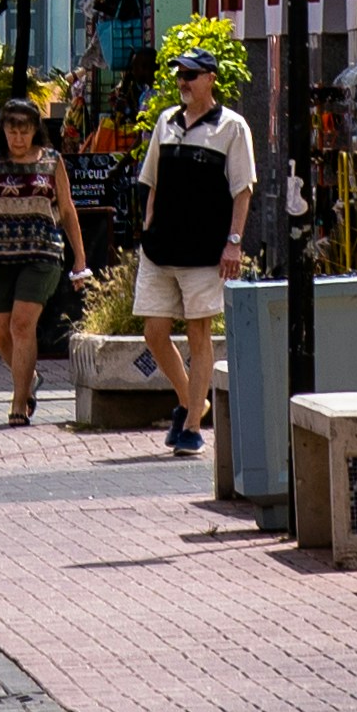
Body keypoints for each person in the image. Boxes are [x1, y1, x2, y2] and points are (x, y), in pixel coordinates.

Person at [131, 49, 253, 455]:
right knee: (154, 331)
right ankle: (189, 401)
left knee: (199, 333)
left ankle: (192, 427)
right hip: (160, 248)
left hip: (204, 251)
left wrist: (233, 243)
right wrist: (147, 221)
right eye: (180, 74)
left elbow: (242, 190)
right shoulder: (166, 121)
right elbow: (150, 177)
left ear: (211, 79)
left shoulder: (232, 127)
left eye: (192, 74)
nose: (183, 81)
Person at [0, 95, 79, 424]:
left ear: (35, 131)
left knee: (21, 324)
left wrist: (80, 258)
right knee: (0, 331)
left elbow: (69, 210)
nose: (18, 138)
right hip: (2, 254)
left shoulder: (52, 160)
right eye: (12, 130)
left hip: (42, 253)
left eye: (25, 131)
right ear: (2, 131)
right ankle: (29, 379)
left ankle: (19, 402)